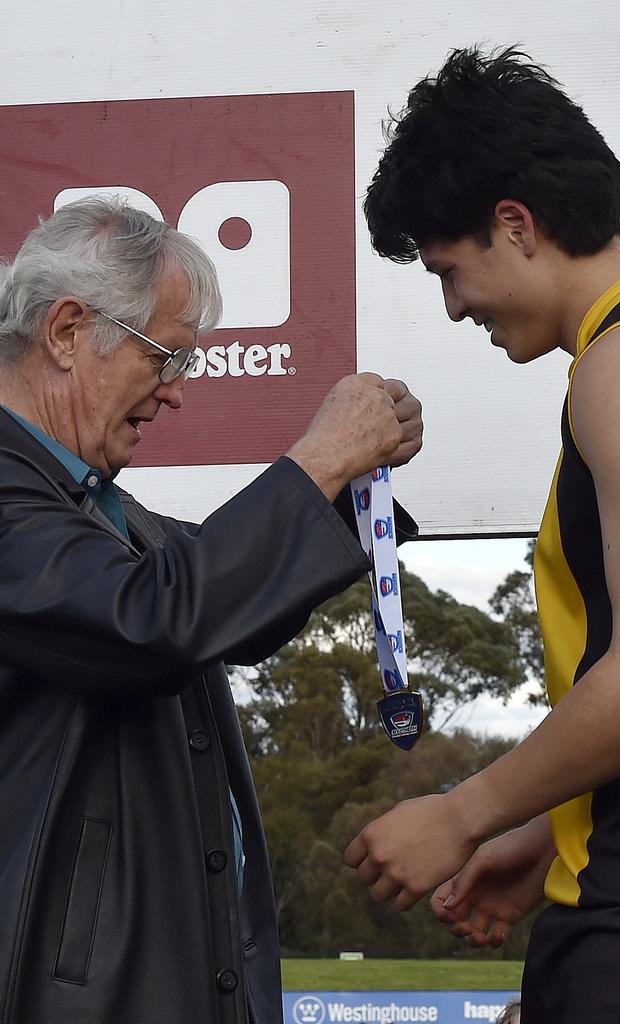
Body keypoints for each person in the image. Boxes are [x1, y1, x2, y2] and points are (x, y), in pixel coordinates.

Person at [344, 46, 620, 1023]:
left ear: (515, 225)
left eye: (450, 270)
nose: (453, 307)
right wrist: (551, 831)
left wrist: (459, 813)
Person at [0, 197, 422, 1024]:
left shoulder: (93, 512)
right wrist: (323, 457)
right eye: (166, 358)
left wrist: (349, 497)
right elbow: (156, 622)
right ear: (66, 332)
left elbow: (231, 613)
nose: (177, 394)